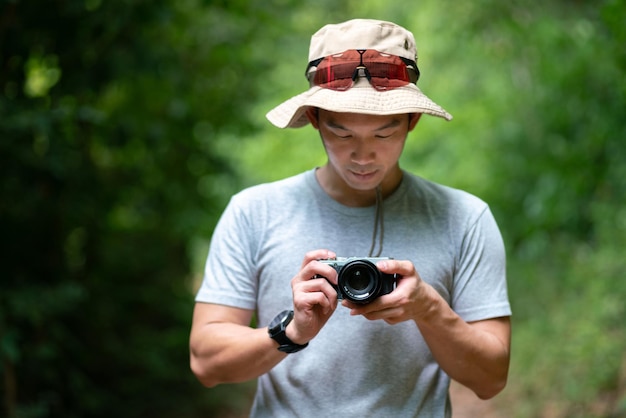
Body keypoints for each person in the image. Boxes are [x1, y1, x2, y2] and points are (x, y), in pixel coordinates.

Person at [190, 18, 511, 417]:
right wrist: (291, 332)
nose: (362, 155)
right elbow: (205, 362)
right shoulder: (253, 212)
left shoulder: (464, 218)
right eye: (342, 135)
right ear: (314, 119)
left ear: (412, 120)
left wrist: (428, 308)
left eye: (383, 134)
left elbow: (491, 378)